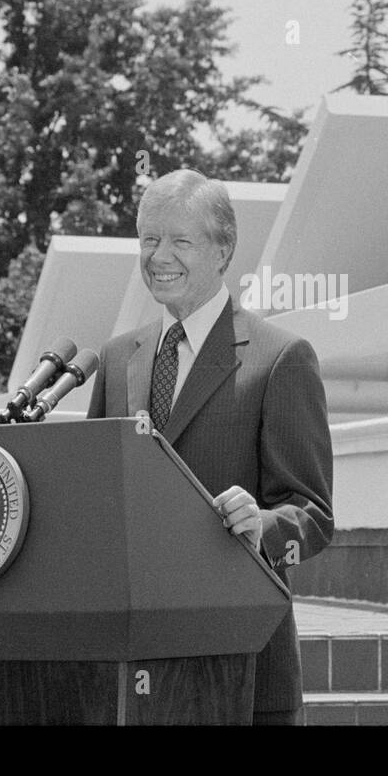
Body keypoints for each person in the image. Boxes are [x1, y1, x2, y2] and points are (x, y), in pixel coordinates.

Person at [86, 169, 334, 726]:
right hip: (127, 670)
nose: (159, 255)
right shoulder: (117, 358)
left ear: (224, 250)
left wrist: (264, 525)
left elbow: (314, 517)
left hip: (240, 671)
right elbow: (94, 500)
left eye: (180, 240)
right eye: (149, 239)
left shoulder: (280, 358)